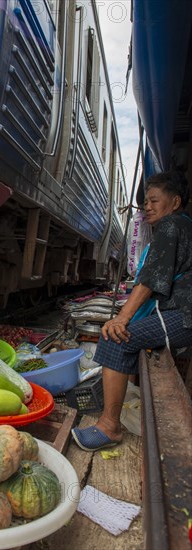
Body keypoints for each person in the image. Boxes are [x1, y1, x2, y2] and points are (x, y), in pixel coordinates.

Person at [71, 171, 192, 451]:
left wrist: (122, 317)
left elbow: (151, 278)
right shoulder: (183, 225)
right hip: (183, 313)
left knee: (116, 337)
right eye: (145, 203)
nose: (147, 207)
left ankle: (109, 427)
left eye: (153, 200)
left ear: (174, 202)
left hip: (185, 316)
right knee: (123, 334)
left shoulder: (172, 225)